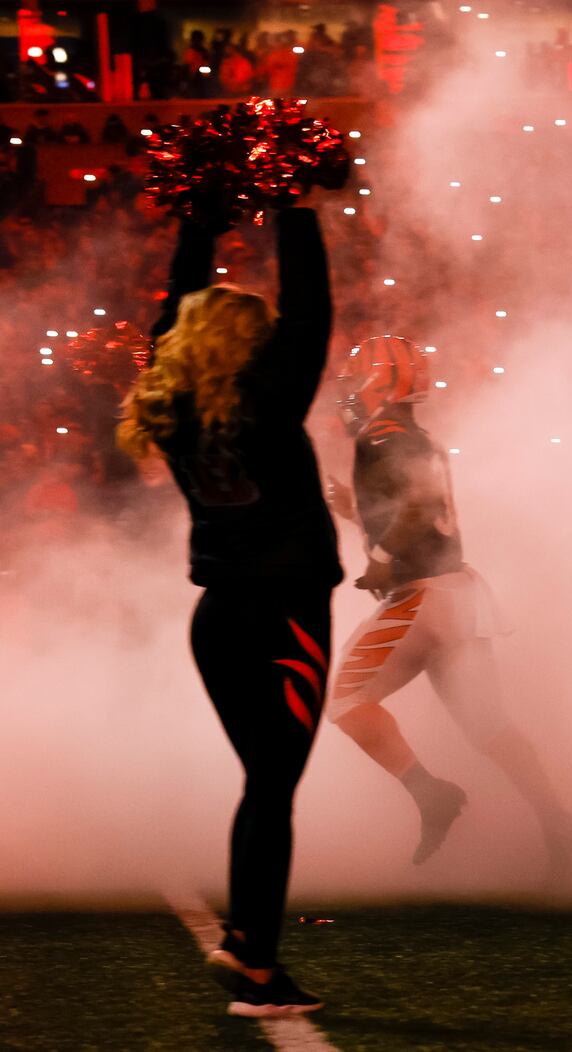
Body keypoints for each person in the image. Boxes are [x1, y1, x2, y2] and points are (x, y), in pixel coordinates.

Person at [117, 205, 337, 1017]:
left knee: (264, 783)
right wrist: (296, 208)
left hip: (218, 619)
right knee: (273, 788)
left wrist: (197, 226)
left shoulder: (172, 407)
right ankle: (256, 968)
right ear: (248, 346)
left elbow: (174, 310)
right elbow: (313, 312)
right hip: (285, 619)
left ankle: (249, 943)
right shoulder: (269, 411)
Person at [324, 336, 572, 865]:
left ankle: (429, 794)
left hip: (423, 596)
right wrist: (355, 511)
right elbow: (411, 507)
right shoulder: (414, 434)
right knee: (490, 726)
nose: (348, 392)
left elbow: (421, 500)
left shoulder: (384, 435)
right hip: (457, 593)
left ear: (378, 382)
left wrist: (384, 556)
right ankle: (559, 822)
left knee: (345, 698)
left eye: (356, 380)